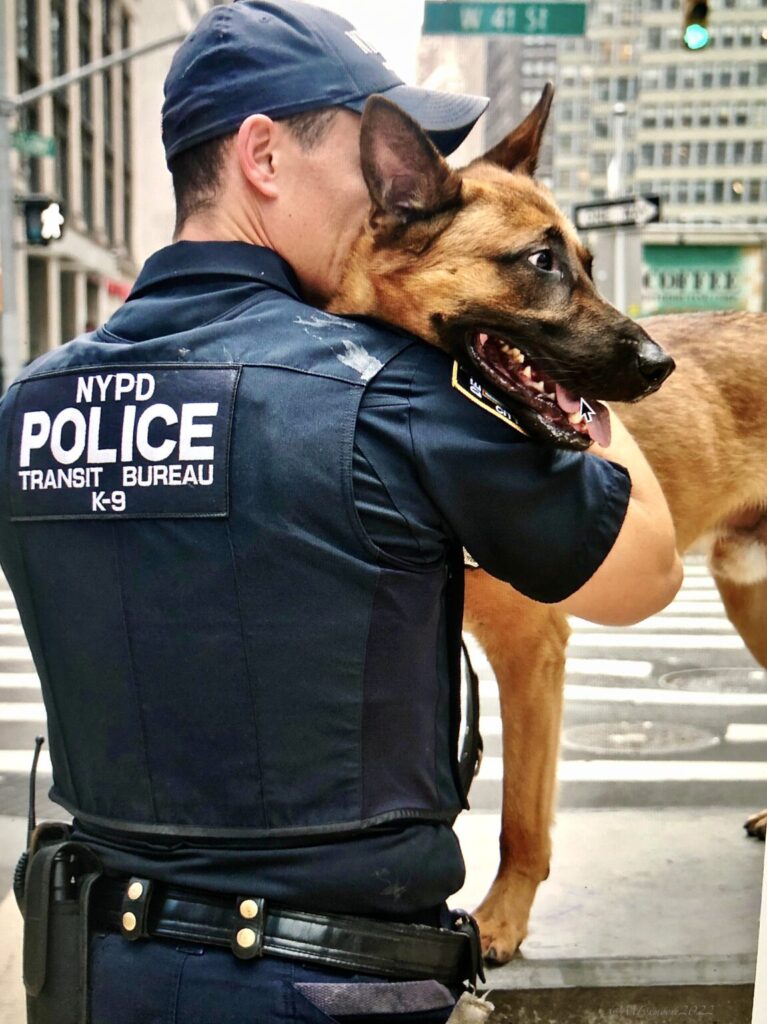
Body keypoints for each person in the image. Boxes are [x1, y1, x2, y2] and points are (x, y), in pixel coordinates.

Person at [0, 2, 683, 1021]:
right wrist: (568, 383)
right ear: (263, 156)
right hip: (328, 983)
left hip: (97, 976)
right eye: (364, 156)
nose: (385, 196)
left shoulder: (31, 405)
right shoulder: (394, 393)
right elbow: (644, 571)